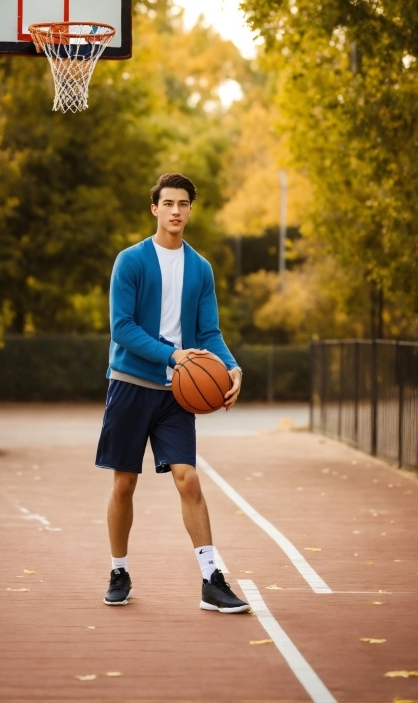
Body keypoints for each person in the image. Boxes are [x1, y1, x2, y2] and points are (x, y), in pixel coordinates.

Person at [95, 172, 249, 613]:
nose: (176, 211)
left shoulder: (200, 269)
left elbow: (208, 332)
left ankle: (210, 579)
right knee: (124, 484)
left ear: (190, 210)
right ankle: (119, 570)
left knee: (189, 479)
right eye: (168, 203)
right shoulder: (131, 261)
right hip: (129, 386)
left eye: (183, 204)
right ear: (155, 209)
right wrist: (173, 356)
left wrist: (231, 367)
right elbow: (122, 329)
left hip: (175, 394)